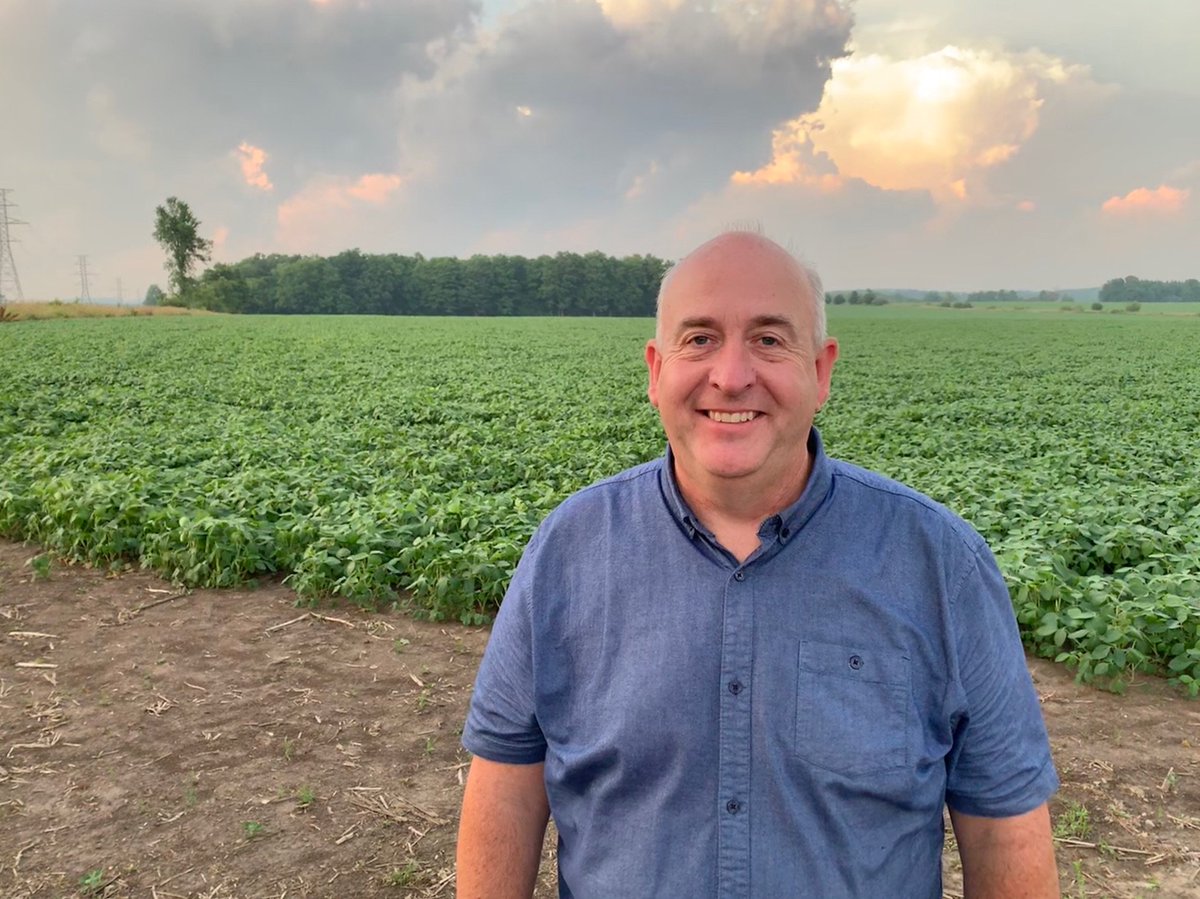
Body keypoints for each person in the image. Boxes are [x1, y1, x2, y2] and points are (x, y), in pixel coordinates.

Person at [456, 231, 1059, 898]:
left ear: (822, 370)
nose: (732, 375)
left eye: (769, 339)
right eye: (700, 339)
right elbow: (506, 790)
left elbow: (1005, 831)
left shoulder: (939, 563)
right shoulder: (567, 551)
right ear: (656, 371)